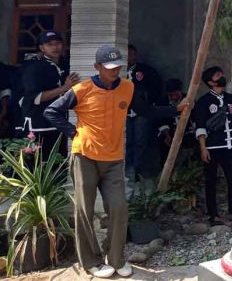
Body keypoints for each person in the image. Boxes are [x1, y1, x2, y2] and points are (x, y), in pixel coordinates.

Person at [44, 45, 188, 278]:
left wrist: (175, 110)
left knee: (119, 208)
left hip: (113, 159)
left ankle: (115, 258)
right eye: (109, 68)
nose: (115, 71)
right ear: (97, 67)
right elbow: (51, 112)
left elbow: (145, 111)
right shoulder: (82, 89)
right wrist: (73, 133)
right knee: (84, 210)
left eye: (118, 67)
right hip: (85, 157)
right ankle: (91, 261)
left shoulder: (128, 88)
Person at [193, 66, 232, 225]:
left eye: (221, 73)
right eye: (217, 75)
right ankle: (213, 215)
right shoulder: (204, 102)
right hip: (212, 148)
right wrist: (203, 148)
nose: (221, 76)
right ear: (210, 82)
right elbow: (200, 126)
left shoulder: (231, 99)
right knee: (211, 181)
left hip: (229, 147)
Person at [21, 31, 80, 157]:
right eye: (50, 44)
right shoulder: (34, 68)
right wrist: (64, 88)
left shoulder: (67, 64)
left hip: (59, 122)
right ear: (42, 47)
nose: (55, 47)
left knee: (58, 161)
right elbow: (34, 98)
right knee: (38, 163)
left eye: (58, 43)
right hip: (38, 123)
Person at [125, 44, 163, 188]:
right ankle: (127, 170)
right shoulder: (117, 72)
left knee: (140, 141)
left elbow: (156, 89)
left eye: (132, 54)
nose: (130, 57)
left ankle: (137, 171)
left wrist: (148, 104)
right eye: (127, 54)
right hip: (124, 112)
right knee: (126, 142)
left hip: (141, 113)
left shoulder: (146, 71)